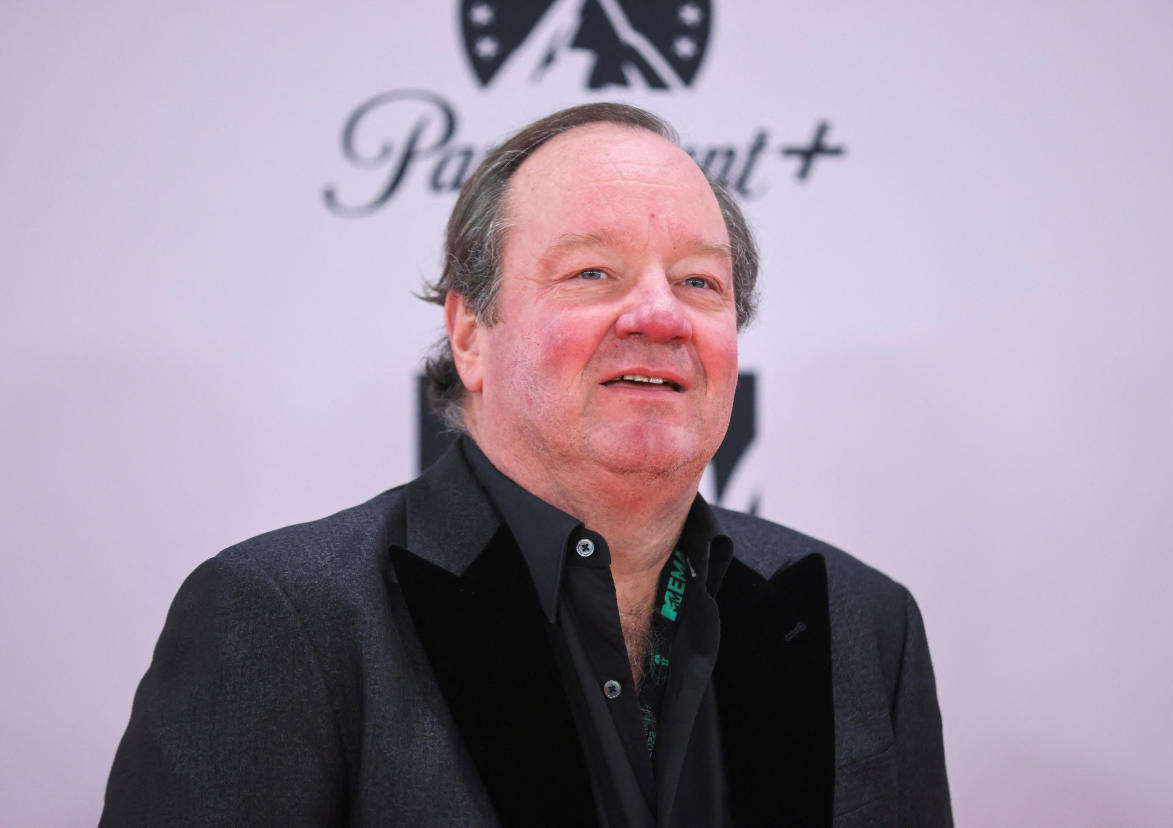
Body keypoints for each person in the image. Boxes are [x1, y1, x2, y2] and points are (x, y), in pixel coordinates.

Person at [102, 103, 952, 827]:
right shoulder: (285, 620)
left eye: (699, 282)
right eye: (592, 271)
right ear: (470, 333)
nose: (659, 313)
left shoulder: (865, 622)